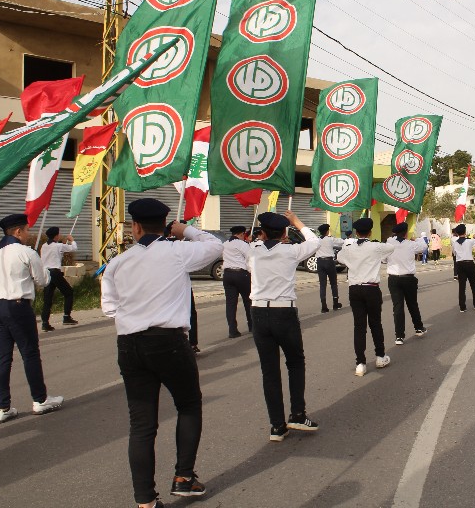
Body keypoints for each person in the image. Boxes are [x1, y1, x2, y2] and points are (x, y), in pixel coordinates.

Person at [101, 199, 222, 507]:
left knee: (141, 424)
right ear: (166, 225)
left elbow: (109, 307)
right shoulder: (177, 251)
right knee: (189, 405)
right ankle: (183, 477)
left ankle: (145, 500)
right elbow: (214, 245)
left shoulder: (117, 262)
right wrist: (186, 230)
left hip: (129, 343)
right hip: (168, 341)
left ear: (135, 227)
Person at [246, 211, 321, 442]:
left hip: (258, 311)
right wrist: (297, 221)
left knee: (269, 371)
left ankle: (277, 426)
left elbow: (251, 260)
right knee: (295, 362)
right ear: (285, 233)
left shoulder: (253, 252)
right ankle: (297, 414)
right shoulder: (291, 251)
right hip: (284, 311)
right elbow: (315, 242)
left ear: (263, 232)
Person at [0, 213, 61, 425]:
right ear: (17, 231)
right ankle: (40, 399)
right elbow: (43, 281)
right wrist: (48, 271)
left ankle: (2, 407)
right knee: (30, 353)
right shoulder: (25, 252)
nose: (28, 234)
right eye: (26, 230)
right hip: (16, 306)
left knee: (2, 358)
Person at [337, 218, 394, 376]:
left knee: (359, 327)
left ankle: (360, 364)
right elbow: (391, 247)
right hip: (371, 288)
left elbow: (340, 258)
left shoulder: (349, 248)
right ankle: (380, 356)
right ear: (370, 232)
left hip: (354, 289)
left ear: (356, 232)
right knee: (375, 323)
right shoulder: (376, 247)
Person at [386, 221, 428, 344]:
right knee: (412, 304)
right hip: (408, 278)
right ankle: (419, 328)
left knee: (397, 307)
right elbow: (424, 246)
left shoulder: (389, 243)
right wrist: (417, 238)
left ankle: (399, 336)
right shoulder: (411, 244)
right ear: (406, 233)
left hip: (393, 278)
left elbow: (383, 259)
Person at [39, 226, 78, 331]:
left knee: (48, 298)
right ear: (56, 236)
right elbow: (73, 248)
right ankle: (66, 317)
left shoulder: (44, 246)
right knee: (68, 292)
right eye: (59, 234)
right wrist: (71, 240)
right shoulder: (58, 246)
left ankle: (45, 322)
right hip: (55, 273)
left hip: (46, 273)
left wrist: (63, 245)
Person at [222, 225, 253, 338]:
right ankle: (252, 326)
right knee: (248, 301)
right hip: (241, 274)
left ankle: (232, 330)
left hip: (227, 275)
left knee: (230, 304)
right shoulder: (242, 244)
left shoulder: (225, 244)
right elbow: (251, 258)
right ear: (241, 234)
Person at [451, 224, 475, 312]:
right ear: (465, 232)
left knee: (462, 286)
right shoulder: (469, 241)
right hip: (469, 263)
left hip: (460, 265)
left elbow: (454, 253)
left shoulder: (455, 243)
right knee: (473, 284)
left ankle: (462, 307)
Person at [315, 223, 344, 313]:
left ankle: (324, 306)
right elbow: (341, 241)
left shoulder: (316, 240)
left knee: (322, 284)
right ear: (327, 231)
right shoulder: (331, 239)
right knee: (333, 283)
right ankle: (335, 304)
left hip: (320, 262)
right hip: (329, 261)